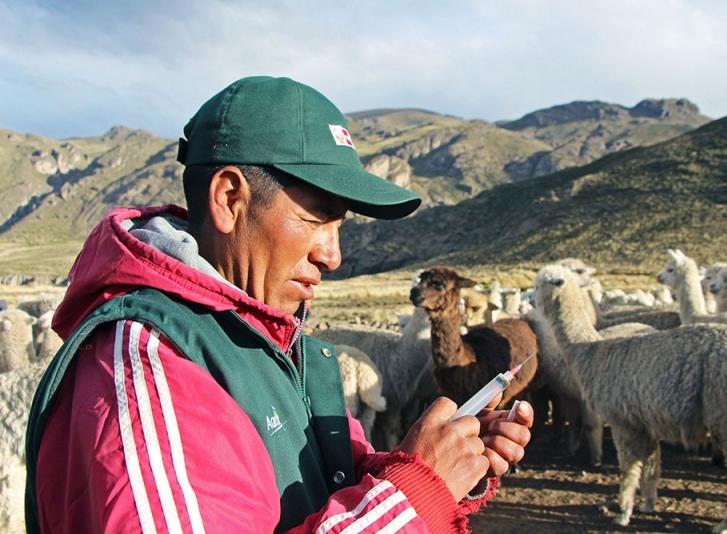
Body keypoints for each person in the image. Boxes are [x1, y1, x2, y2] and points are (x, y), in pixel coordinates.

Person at [25, 76, 533, 533]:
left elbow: (324, 492)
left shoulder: (276, 345)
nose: (333, 255)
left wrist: (441, 467)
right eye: (316, 217)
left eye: (341, 226)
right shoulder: (152, 364)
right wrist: (415, 494)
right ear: (229, 199)